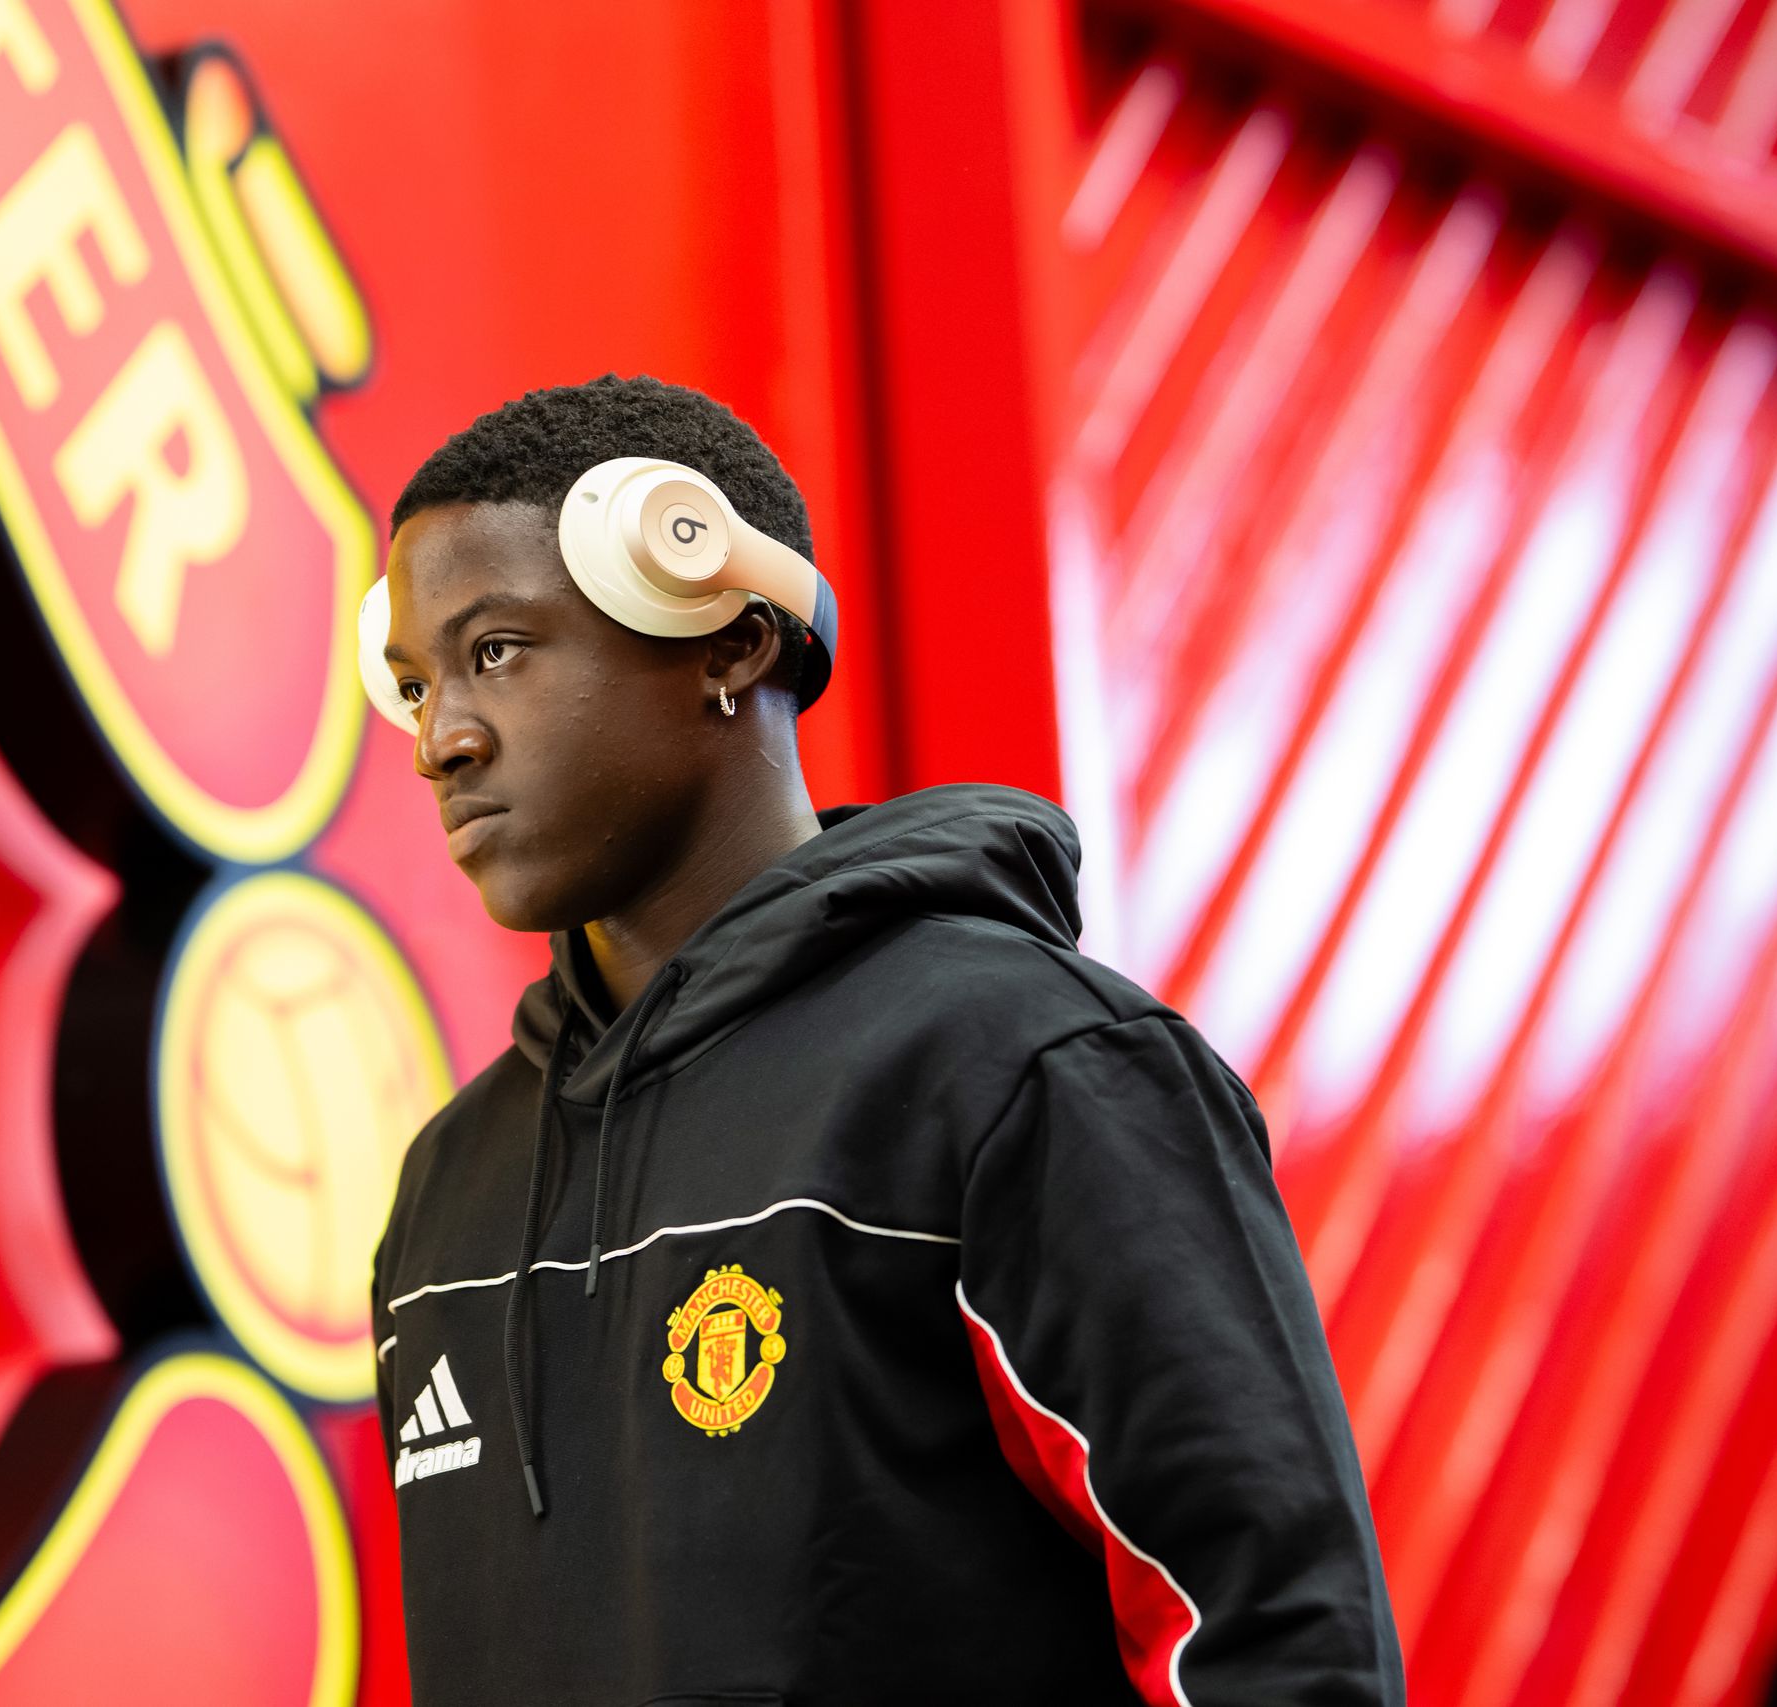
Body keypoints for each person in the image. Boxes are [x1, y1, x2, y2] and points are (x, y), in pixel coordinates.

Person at [367, 374, 1403, 1705]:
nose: (440, 740)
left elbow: (1272, 1639)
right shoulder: (449, 1188)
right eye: (416, 682)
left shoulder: (1025, 1067)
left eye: (499, 652)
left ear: (731, 641)